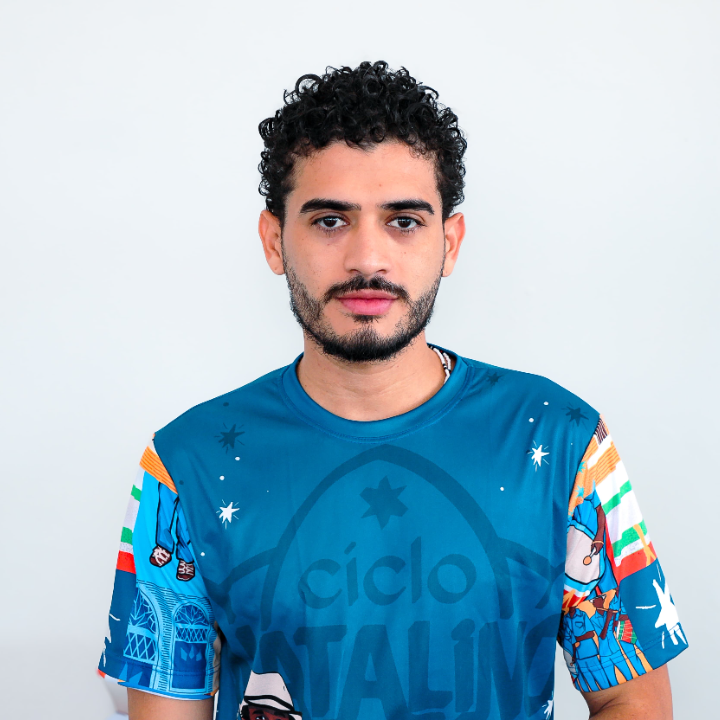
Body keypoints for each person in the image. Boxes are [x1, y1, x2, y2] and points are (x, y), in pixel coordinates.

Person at [98, 61, 687, 720]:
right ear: (274, 240)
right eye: (330, 221)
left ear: (450, 243)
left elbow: (634, 699)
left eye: (403, 221)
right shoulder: (186, 463)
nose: (367, 260)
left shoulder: (562, 438)